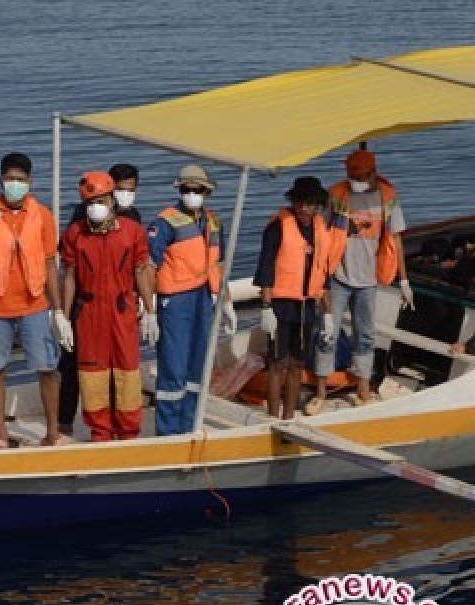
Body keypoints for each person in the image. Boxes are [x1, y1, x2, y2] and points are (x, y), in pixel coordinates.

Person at [0, 152, 73, 448]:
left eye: (20, 180)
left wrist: (58, 310)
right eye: (10, 179)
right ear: (0, 180)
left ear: (30, 182)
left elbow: (50, 264)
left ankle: (52, 433)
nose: (15, 185)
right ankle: (1, 434)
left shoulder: (42, 215)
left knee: (47, 367)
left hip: (35, 304)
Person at [307, 149, 413, 413]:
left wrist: (403, 281)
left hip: (367, 281)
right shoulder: (336, 195)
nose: (352, 179)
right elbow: (319, 233)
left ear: (372, 173)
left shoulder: (388, 198)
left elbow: (397, 240)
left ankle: (363, 389)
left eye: (358, 175)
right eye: (350, 174)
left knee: (365, 335)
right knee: (326, 332)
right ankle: (320, 391)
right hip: (337, 277)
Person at [59, 171, 156, 441]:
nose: (95, 207)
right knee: (93, 376)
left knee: (127, 372)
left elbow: (140, 270)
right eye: (90, 202)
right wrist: (63, 318)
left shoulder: (132, 231)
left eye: (100, 201)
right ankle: (100, 432)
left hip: (123, 310)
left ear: (111, 200)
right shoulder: (75, 234)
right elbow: (69, 276)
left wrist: (150, 310)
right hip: (88, 314)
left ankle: (127, 433)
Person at [147, 165, 238, 436]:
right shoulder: (164, 223)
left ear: (206, 192)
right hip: (175, 301)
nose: (191, 194)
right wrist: (149, 309)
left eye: (196, 190)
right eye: (186, 189)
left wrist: (226, 302)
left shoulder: (213, 222)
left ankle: (189, 425)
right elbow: (148, 267)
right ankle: (167, 431)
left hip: (203, 299)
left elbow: (215, 265)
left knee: (198, 366)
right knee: (173, 368)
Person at [253, 177, 337, 419]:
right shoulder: (278, 227)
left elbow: (324, 273)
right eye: (300, 203)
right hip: (280, 304)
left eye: (309, 204)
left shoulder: (321, 229)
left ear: (317, 205)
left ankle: (288, 417)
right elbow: (265, 269)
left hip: (307, 305)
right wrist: (266, 307)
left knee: (298, 363)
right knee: (277, 363)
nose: (303, 208)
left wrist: (328, 314)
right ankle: (272, 417)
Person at [68, 163, 143, 225]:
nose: (125, 194)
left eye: (131, 190)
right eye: (120, 189)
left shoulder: (133, 215)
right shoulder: (89, 211)